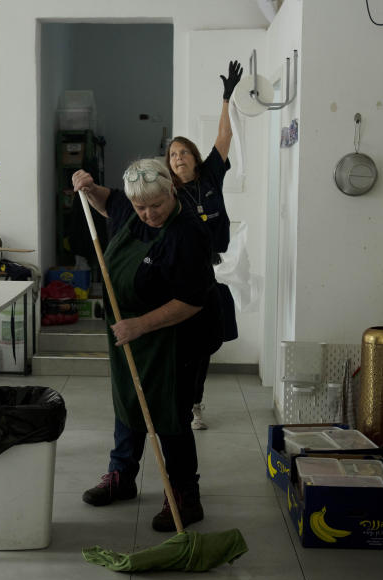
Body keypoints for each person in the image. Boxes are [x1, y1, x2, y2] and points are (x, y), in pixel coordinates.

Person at [72, 158, 222, 532]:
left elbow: (191, 300)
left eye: (156, 205)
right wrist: (88, 188)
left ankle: (185, 496)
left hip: (175, 338)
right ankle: (121, 476)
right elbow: (109, 202)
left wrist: (140, 325)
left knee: (169, 415)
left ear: (172, 191)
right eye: (141, 207)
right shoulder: (130, 208)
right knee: (128, 401)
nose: (148, 214)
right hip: (128, 334)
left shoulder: (187, 233)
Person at [165, 60, 242, 430]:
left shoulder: (210, 175)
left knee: (207, 342)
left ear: (194, 157)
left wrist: (226, 98)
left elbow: (224, 138)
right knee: (183, 343)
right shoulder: (168, 193)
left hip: (210, 272)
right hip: (180, 275)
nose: (178, 157)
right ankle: (182, 401)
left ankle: (195, 401)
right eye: (173, 155)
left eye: (183, 152)